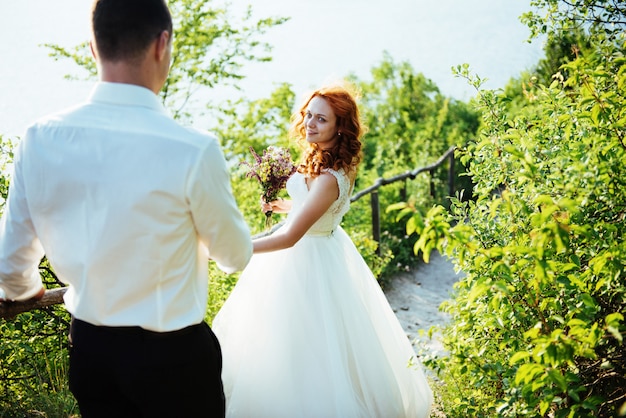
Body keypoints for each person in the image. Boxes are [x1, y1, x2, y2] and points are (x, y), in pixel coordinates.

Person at [0, 0, 252, 416]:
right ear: (162, 44)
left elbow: (11, 268)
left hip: (92, 353)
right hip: (176, 359)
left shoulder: (40, 138)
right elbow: (235, 255)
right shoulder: (193, 149)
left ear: (93, 49)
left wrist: (25, 292)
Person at [212, 84, 433, 417]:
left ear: (340, 127)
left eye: (321, 119)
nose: (310, 124)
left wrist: (236, 248)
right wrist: (286, 205)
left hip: (307, 263)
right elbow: (314, 210)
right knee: (284, 346)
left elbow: (291, 238)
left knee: (303, 348)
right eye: (309, 115)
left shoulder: (331, 176)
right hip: (315, 249)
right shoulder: (323, 159)